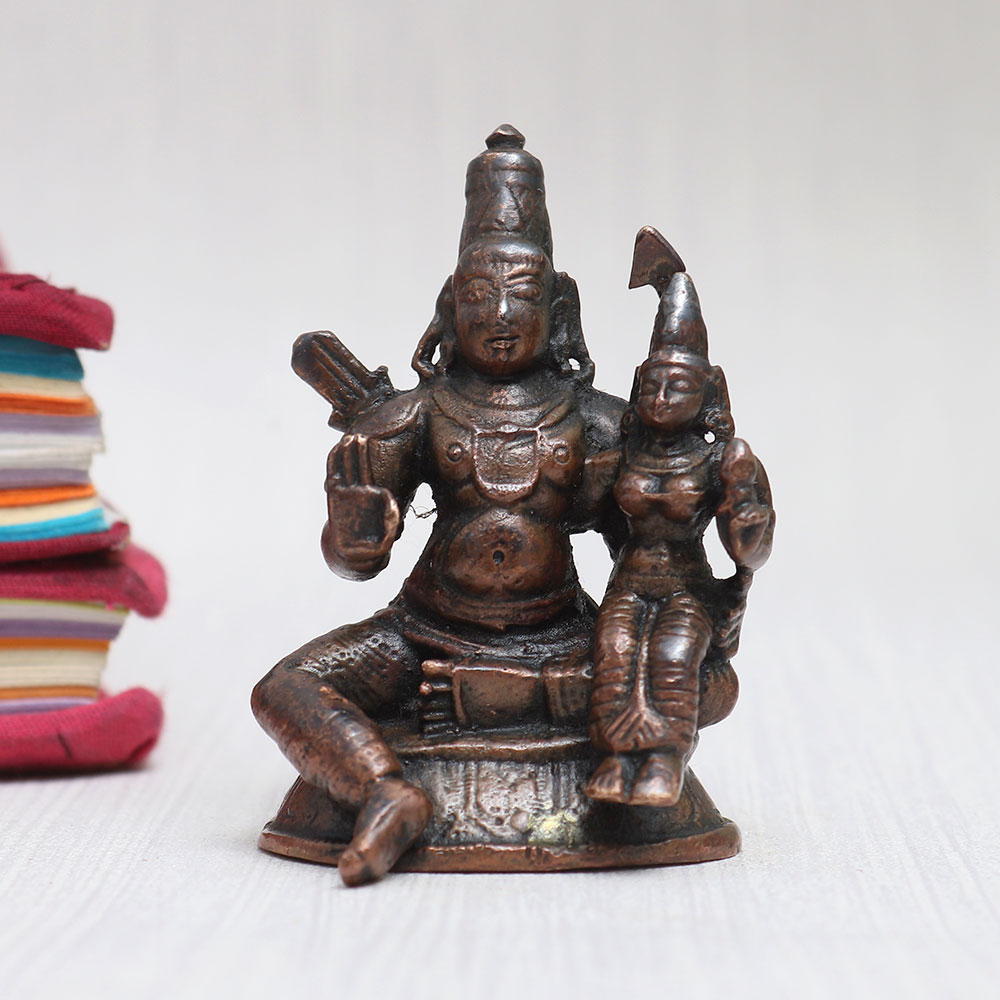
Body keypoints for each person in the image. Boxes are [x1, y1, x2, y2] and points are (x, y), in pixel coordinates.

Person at [252, 126, 625, 886]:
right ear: (450, 306)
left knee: (688, 681)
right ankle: (384, 791)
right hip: (423, 633)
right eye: (478, 295)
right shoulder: (417, 415)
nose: (499, 314)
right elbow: (353, 561)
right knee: (284, 688)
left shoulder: (598, 422)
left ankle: (545, 713)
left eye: (522, 295)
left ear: (559, 307)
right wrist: (355, 533)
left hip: (560, 635)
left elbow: (643, 561)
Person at [583, 271, 775, 807]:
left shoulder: (717, 460)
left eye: (679, 388)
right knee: (614, 653)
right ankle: (617, 758)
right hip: (629, 583)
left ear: (708, 392)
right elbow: (580, 516)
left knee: (671, 657)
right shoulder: (624, 454)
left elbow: (753, 552)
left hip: (687, 587)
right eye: (652, 387)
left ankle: (664, 761)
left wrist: (745, 508)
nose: (663, 398)